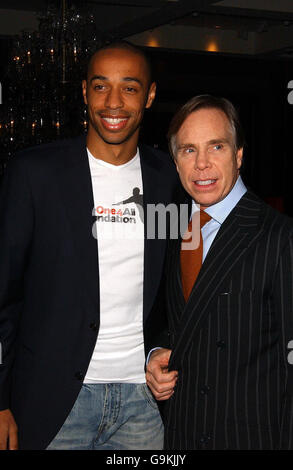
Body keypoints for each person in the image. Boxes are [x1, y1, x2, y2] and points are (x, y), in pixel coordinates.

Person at [0, 41, 183, 450]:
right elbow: (4, 295)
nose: (113, 102)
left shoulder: (168, 178)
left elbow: (177, 286)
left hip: (144, 402)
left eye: (130, 88)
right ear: (84, 91)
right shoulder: (35, 173)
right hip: (54, 402)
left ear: (150, 96)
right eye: (101, 86)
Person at [146, 94, 293, 450]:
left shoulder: (279, 236)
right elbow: (176, 318)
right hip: (183, 430)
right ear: (176, 162)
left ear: (239, 155)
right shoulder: (173, 225)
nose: (202, 164)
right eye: (188, 150)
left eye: (216, 147)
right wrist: (156, 353)